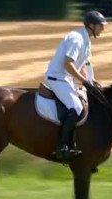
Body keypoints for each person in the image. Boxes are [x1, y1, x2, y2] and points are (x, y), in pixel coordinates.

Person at [45, 10, 107, 160]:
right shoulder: (77, 39)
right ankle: (62, 146)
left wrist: (91, 81)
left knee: (85, 102)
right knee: (76, 107)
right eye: (100, 25)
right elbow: (68, 64)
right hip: (57, 78)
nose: (103, 29)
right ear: (91, 25)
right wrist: (84, 81)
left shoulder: (86, 40)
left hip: (65, 79)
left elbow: (84, 65)